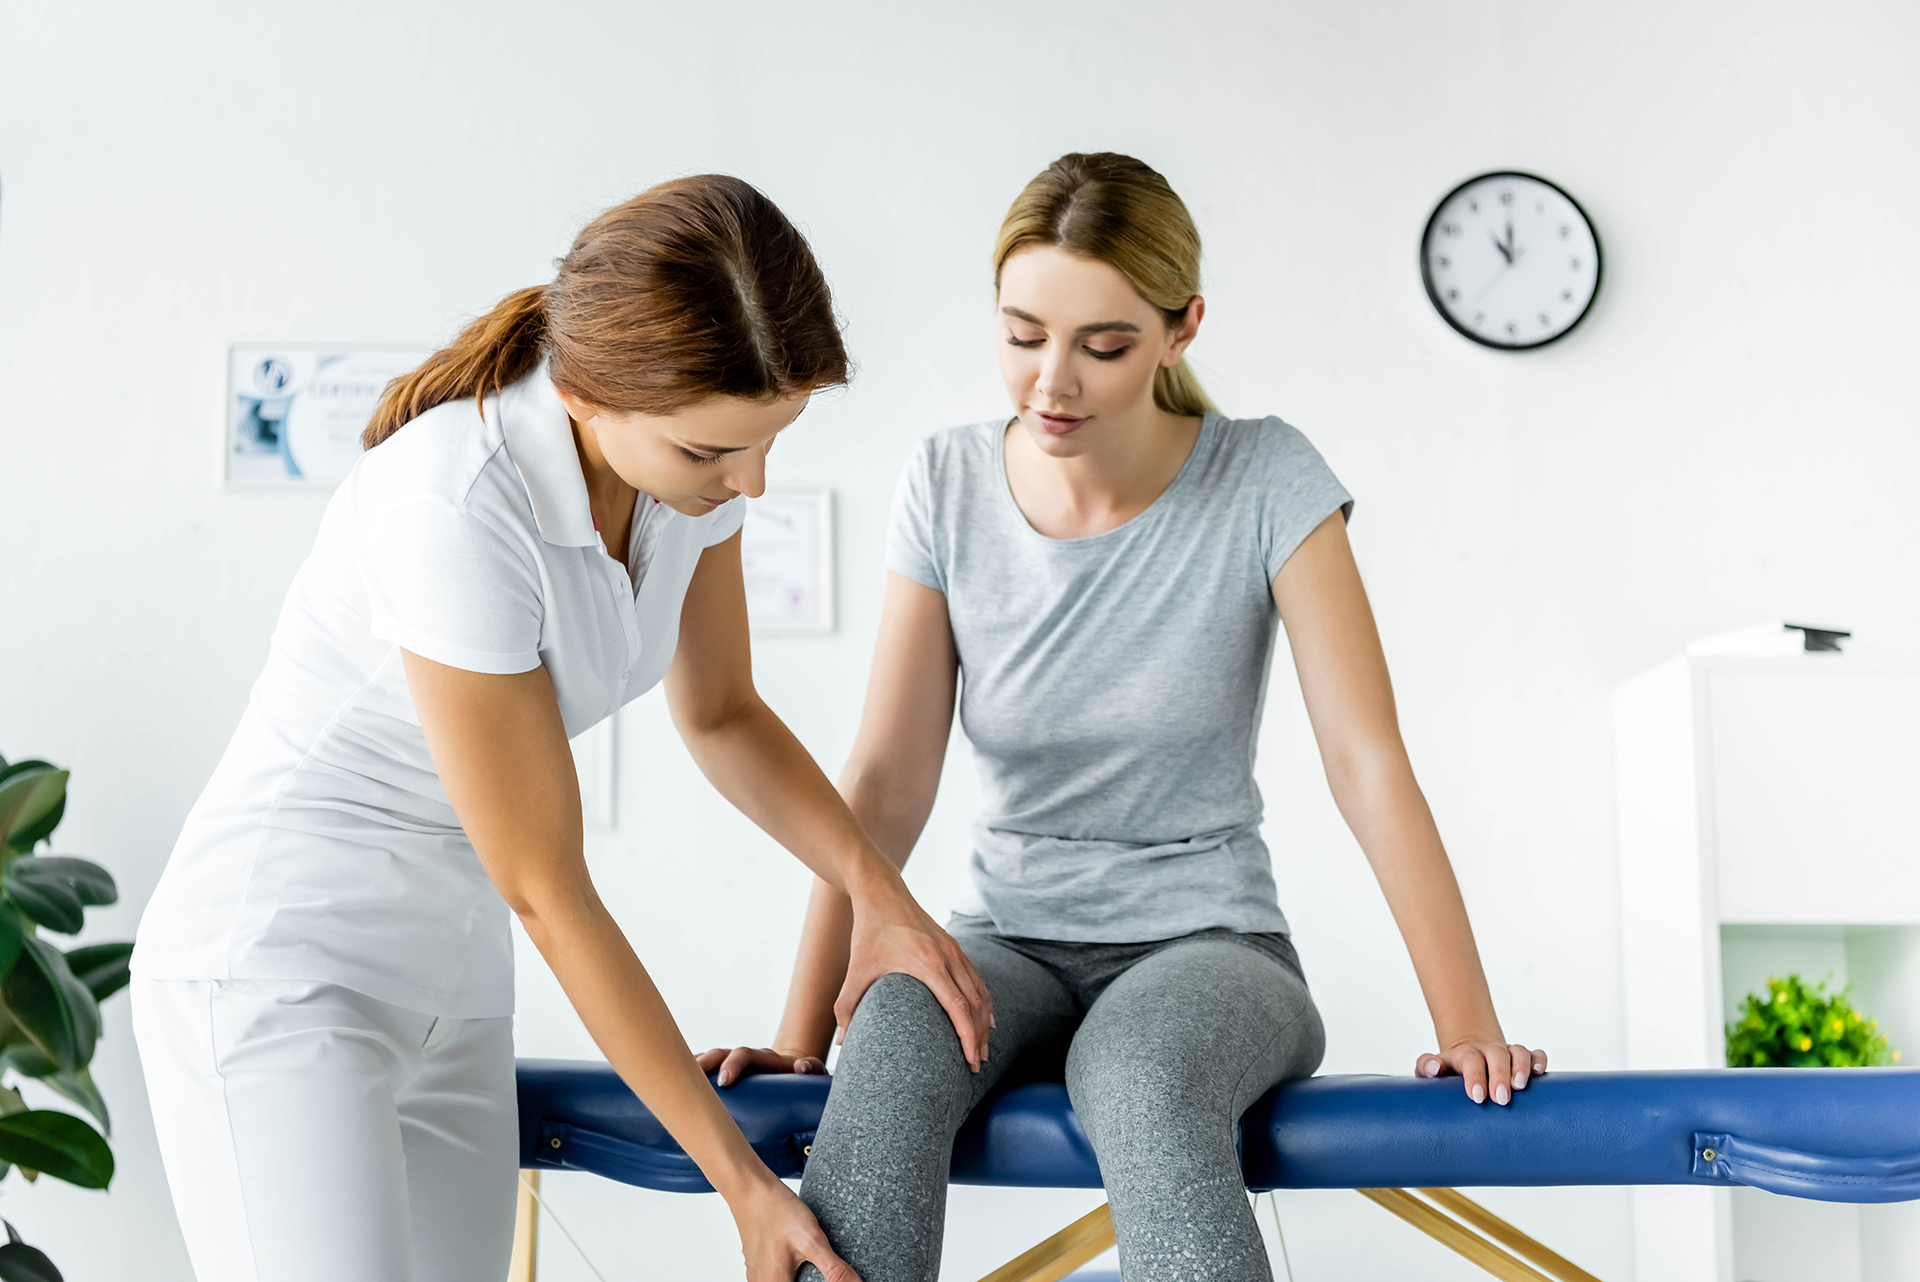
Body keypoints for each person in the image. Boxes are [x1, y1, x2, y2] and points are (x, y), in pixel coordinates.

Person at [699, 153, 1546, 1282]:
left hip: (1210, 946)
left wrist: (1468, 1022)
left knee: (1141, 1071)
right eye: (1022, 335)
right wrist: (803, 1035)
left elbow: (1365, 760)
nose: (1053, 380)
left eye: (1103, 346)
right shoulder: (947, 482)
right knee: (892, 1039)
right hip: (1006, 941)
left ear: (1181, 329)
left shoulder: (1265, 477)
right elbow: (887, 782)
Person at [130, 176, 991, 1282]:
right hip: (281, 969)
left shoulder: (689, 484)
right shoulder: (454, 500)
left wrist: (881, 896)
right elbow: (550, 888)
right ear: (586, 396)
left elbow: (723, 714)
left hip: (455, 979)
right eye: (712, 453)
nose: (751, 483)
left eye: (771, 440)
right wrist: (744, 1187)